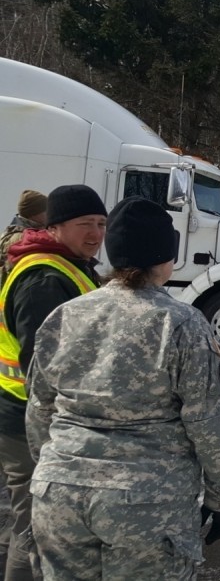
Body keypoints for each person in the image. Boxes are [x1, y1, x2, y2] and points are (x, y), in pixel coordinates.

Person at [25, 197, 220, 579]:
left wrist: (56, 466)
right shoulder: (182, 323)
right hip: (147, 502)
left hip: (59, 496)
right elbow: (209, 422)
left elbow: (40, 408)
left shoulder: (66, 316)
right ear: (166, 255)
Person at [0, 184, 106, 581]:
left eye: (100, 223)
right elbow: (42, 367)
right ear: (56, 225)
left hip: (32, 417)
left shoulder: (68, 262)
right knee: (36, 528)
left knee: (28, 524)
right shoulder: (43, 278)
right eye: (84, 224)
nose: (95, 234)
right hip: (26, 421)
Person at [0, 191, 48, 280]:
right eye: (46, 211)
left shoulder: (26, 232)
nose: (49, 215)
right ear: (35, 214)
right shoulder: (19, 238)